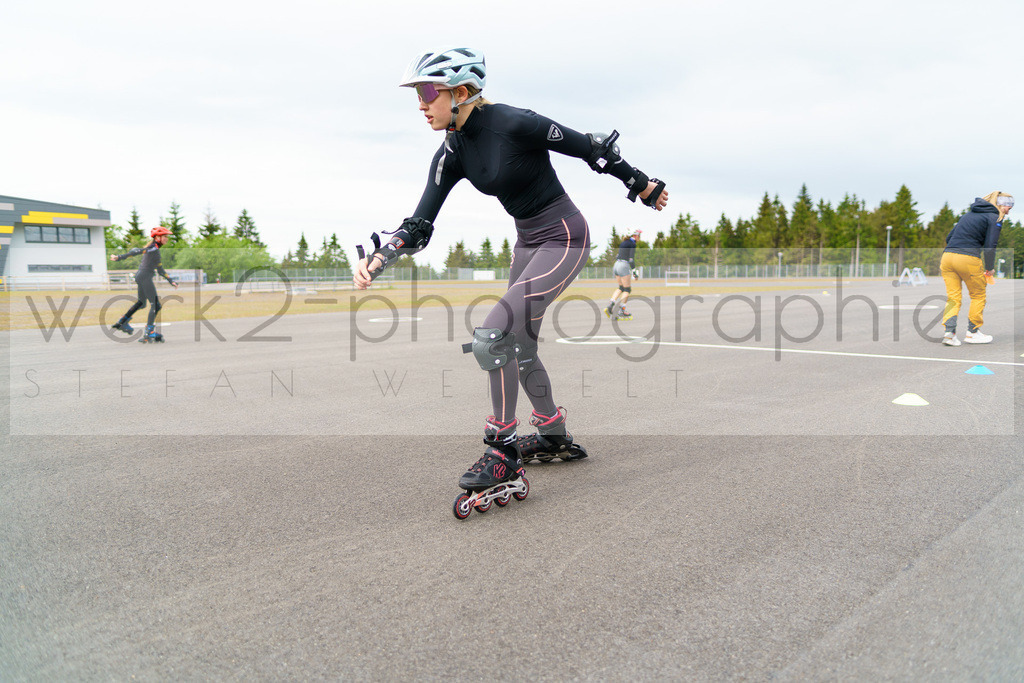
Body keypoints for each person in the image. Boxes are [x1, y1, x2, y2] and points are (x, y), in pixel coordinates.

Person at [353, 47, 668, 513]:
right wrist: (381, 257)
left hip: (564, 236)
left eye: (426, 92)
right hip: (527, 243)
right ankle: (552, 432)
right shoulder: (451, 152)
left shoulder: (514, 123)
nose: (420, 103)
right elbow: (419, 223)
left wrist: (641, 184)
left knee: (491, 335)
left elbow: (592, 148)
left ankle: (502, 451)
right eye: (417, 94)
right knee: (518, 343)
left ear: (461, 92)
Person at [940, 191, 1013, 346]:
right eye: (1008, 205)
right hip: (968, 258)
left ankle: (949, 333)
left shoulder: (968, 215)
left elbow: (949, 238)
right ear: (998, 204)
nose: (1009, 209)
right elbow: (990, 246)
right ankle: (973, 333)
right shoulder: (994, 217)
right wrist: (990, 268)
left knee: (953, 297)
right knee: (978, 295)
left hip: (947, 257)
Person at [110, 226, 178, 342]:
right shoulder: (153, 248)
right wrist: (119, 257)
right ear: (157, 237)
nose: (167, 239)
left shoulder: (155, 250)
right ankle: (149, 332)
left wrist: (171, 280)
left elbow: (160, 269)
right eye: (165, 236)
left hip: (141, 276)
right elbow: (137, 251)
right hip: (145, 277)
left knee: (142, 303)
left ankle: (122, 321)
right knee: (156, 305)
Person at [605, 229, 642, 320]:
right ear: (635, 236)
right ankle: (622, 310)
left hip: (616, 264)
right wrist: (634, 271)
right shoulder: (632, 243)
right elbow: (631, 259)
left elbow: (618, 255)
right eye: (639, 236)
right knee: (627, 289)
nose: (639, 238)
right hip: (623, 265)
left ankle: (610, 305)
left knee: (620, 287)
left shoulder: (624, 242)